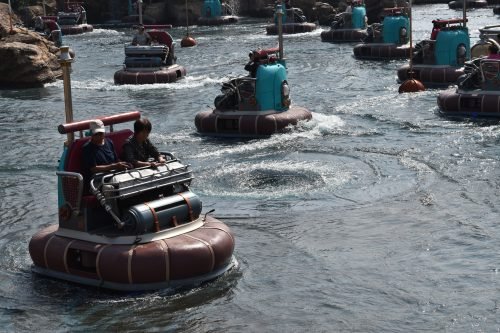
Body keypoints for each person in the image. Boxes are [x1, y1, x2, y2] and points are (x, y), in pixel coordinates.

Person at [82, 119, 131, 188]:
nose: (99, 136)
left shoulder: (109, 142)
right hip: (98, 179)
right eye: (96, 134)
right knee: (109, 187)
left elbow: (116, 160)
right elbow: (93, 169)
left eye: (101, 133)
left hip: (113, 173)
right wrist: (114, 166)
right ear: (92, 134)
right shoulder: (87, 148)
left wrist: (124, 165)